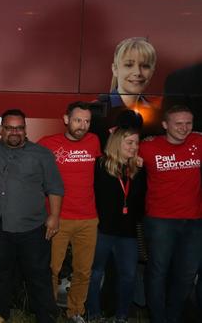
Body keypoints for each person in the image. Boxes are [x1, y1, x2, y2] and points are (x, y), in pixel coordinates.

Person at [0, 109, 63, 323]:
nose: (14, 132)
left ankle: (46, 317)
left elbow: (55, 187)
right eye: (9, 128)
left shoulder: (41, 154)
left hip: (32, 229)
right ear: (1, 129)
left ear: (25, 130)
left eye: (19, 128)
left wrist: (54, 216)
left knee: (39, 275)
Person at [38, 101, 101, 323]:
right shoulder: (47, 144)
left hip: (88, 219)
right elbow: (24, 156)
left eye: (87, 121)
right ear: (66, 120)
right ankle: (50, 313)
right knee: (52, 270)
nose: (82, 125)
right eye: (77, 120)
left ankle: (76, 312)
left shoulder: (94, 142)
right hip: (58, 219)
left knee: (83, 271)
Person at [138, 105, 202, 323]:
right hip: (160, 221)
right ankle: (158, 318)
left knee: (186, 275)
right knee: (158, 273)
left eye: (188, 123)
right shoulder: (147, 147)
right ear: (165, 125)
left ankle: (172, 318)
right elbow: (119, 147)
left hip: (194, 221)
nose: (184, 128)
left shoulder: (198, 142)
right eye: (178, 124)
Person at [86, 127, 146, 322]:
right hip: (102, 230)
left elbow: (139, 202)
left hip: (127, 233)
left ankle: (122, 316)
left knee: (128, 275)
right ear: (116, 143)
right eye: (129, 142)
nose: (134, 147)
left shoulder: (137, 169)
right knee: (95, 274)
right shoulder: (100, 165)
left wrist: (138, 171)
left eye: (137, 143)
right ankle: (93, 314)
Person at [92, 37, 160, 145]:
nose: (138, 72)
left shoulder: (157, 114)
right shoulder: (95, 111)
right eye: (129, 65)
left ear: (152, 71)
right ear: (115, 69)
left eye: (145, 66)